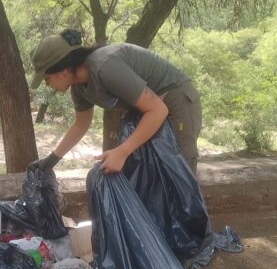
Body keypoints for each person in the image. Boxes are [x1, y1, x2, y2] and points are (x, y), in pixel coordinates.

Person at [30, 29, 203, 174]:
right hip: (148, 111)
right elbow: (81, 125)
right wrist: (51, 161)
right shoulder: (78, 87)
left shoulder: (105, 67)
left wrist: (122, 152)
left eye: (47, 79)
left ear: (63, 71)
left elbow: (158, 110)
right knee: (149, 175)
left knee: (179, 171)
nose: (49, 86)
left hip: (176, 100)